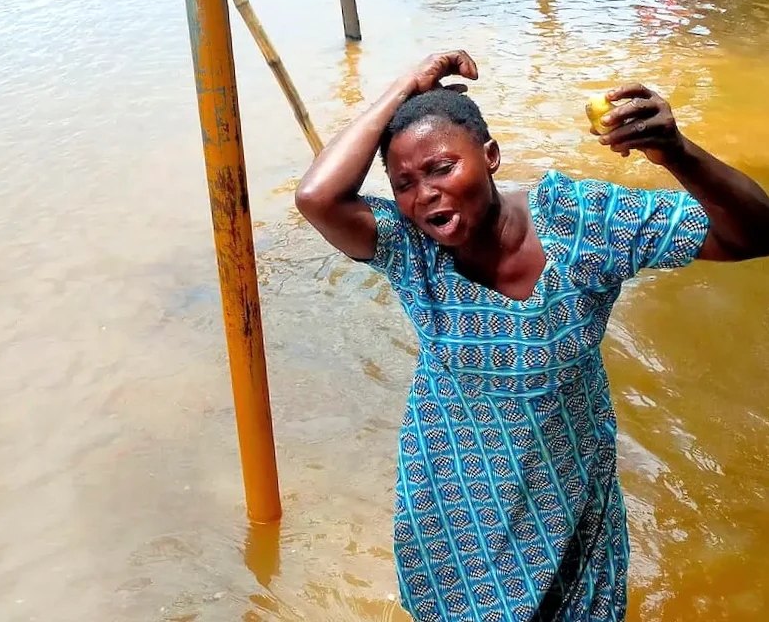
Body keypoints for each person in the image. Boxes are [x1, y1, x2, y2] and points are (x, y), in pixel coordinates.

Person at [295, 51, 769, 622]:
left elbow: (753, 233)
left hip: (566, 488)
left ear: (491, 157)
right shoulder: (408, 247)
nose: (424, 194)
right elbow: (317, 196)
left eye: (442, 168)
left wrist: (677, 153)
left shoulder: (584, 222)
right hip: (454, 499)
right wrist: (405, 86)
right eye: (403, 183)